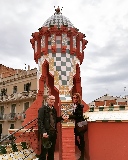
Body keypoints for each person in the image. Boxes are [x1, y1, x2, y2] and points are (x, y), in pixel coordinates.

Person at [38, 95, 67, 160]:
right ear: (47, 100)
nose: (52, 101)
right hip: (46, 133)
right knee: (44, 152)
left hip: (53, 133)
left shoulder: (54, 109)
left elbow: (55, 120)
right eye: (51, 99)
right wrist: (43, 132)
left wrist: (61, 118)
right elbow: (40, 122)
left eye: (53, 99)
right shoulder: (42, 109)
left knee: (51, 152)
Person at [66, 93, 85, 160]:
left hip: (80, 124)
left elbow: (78, 116)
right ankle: (82, 150)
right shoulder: (72, 106)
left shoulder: (80, 106)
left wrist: (69, 116)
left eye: (76, 98)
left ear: (78, 98)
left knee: (82, 139)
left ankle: (82, 155)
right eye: (73, 97)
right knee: (75, 140)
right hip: (74, 125)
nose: (75, 99)